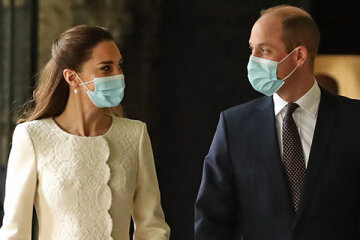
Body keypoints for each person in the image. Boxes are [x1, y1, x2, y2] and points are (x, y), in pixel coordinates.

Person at [195, 5, 360, 240]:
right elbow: (212, 221)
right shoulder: (234, 126)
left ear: (299, 56)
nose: (253, 61)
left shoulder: (354, 121)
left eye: (265, 50)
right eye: (252, 49)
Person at [0, 25, 170, 240]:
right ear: (72, 77)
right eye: (106, 68)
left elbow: (152, 227)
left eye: (119, 66)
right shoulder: (33, 136)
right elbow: (15, 232)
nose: (119, 75)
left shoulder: (135, 134)